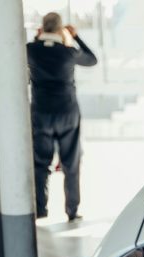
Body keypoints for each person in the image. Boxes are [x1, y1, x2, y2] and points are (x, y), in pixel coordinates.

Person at [26, 13, 97, 221]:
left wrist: (38, 38)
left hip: (41, 113)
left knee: (40, 163)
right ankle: (72, 211)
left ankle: (40, 209)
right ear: (60, 30)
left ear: (41, 29)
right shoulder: (68, 53)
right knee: (71, 163)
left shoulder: (31, 50)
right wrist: (75, 36)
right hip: (67, 113)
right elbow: (92, 60)